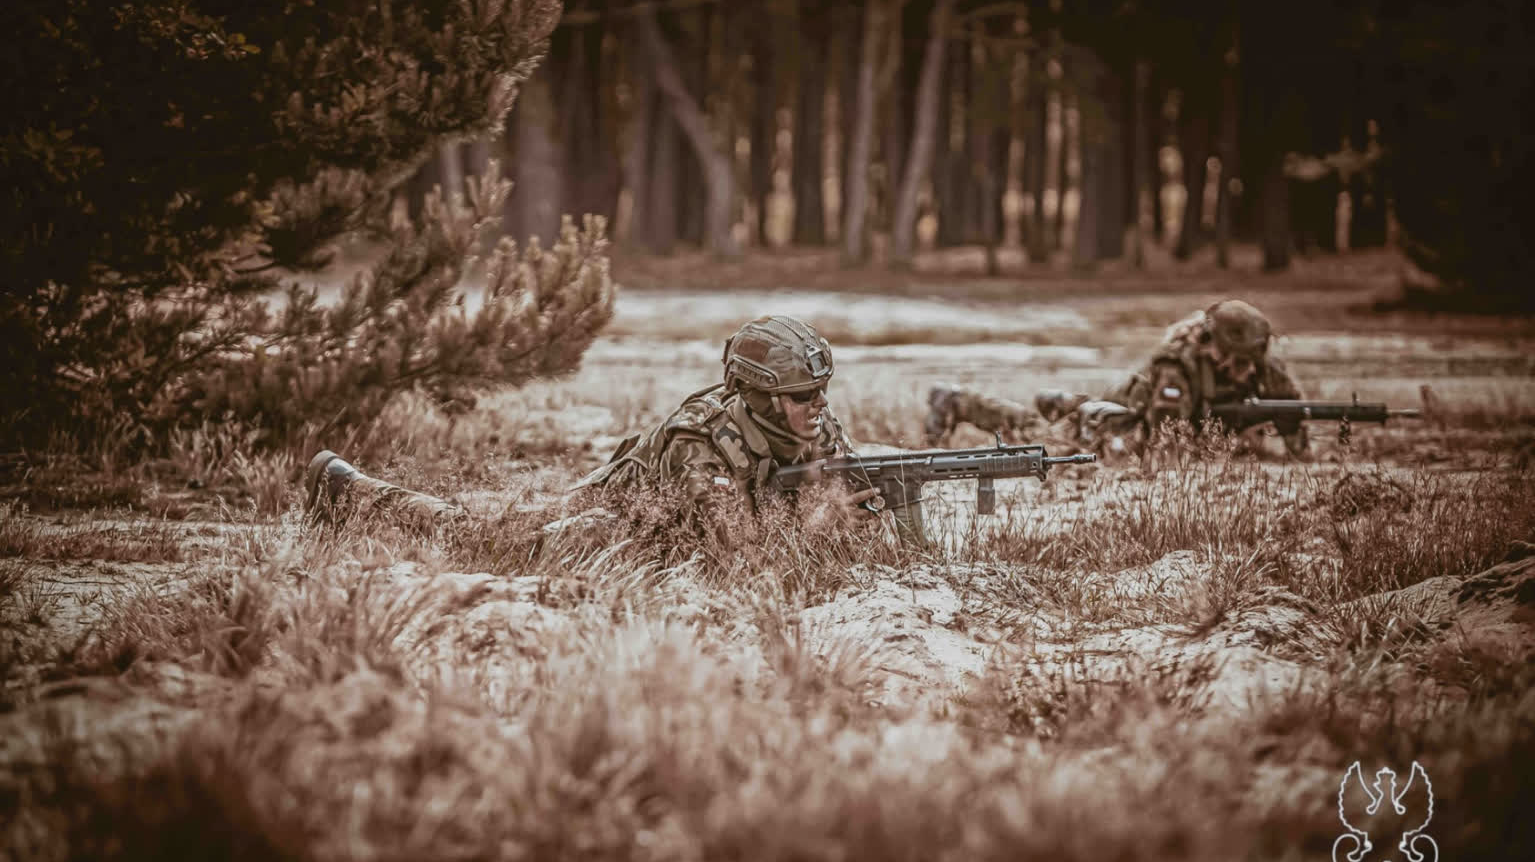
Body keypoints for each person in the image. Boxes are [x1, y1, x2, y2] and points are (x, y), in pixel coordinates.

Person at [305, 315, 883, 528]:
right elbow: (733, 553)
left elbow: (829, 500)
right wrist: (817, 521)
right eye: (802, 394)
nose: (819, 404)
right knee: (477, 530)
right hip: (605, 516)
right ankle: (346, 489)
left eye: (822, 390)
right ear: (757, 395)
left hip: (662, 532)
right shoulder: (700, 440)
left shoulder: (816, 425)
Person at [924, 299, 1310, 457]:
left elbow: (1291, 409)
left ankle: (1062, 404)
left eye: (1251, 362)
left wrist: (1290, 433)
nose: (1247, 371)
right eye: (1238, 362)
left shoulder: (1262, 364)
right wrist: (1237, 447)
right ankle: (957, 401)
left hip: (1120, 417)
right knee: (1039, 444)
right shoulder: (1176, 367)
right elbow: (1164, 445)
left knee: (1047, 427)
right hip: (1113, 426)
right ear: (1213, 347)